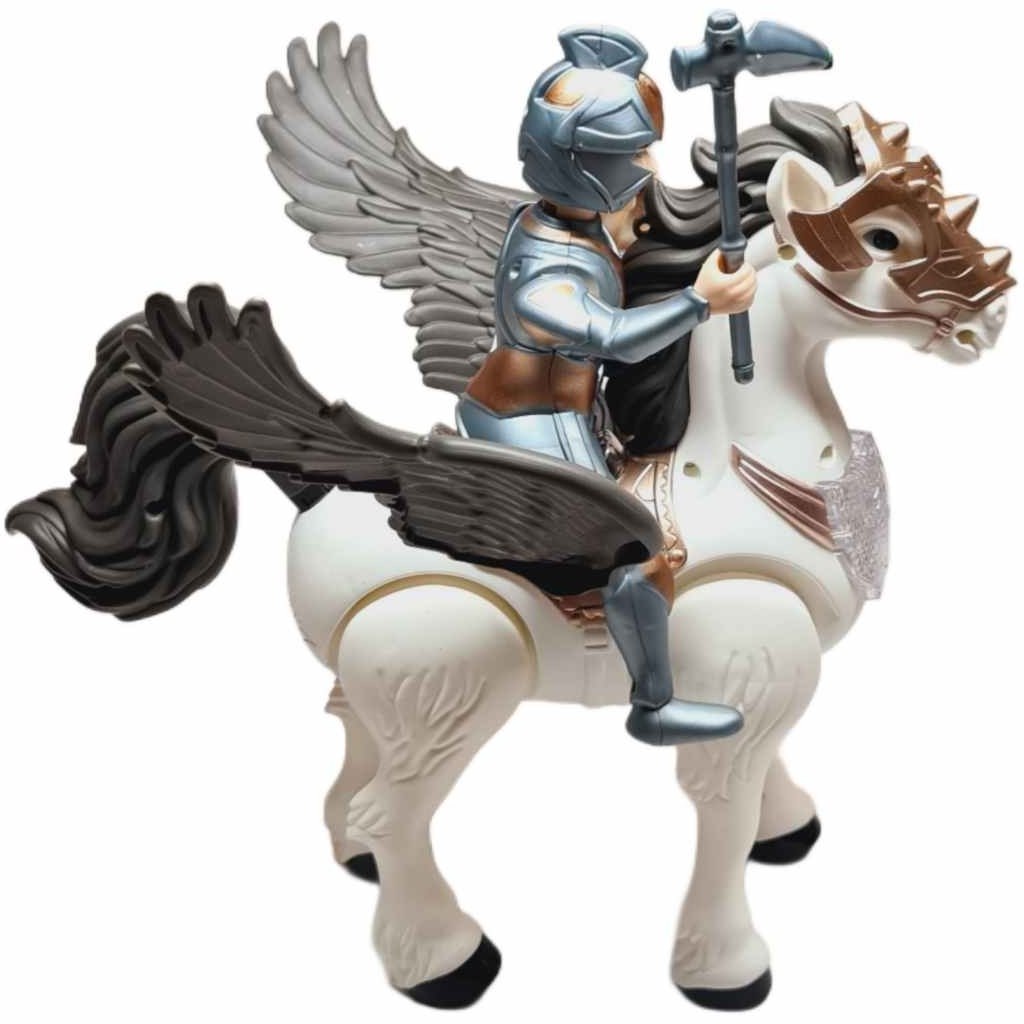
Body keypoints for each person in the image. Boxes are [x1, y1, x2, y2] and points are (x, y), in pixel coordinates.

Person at [456, 26, 757, 746]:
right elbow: (614, 338)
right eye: (633, 154)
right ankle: (653, 704)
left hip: (565, 404)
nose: (648, 165)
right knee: (636, 553)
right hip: (533, 420)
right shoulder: (548, 275)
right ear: (581, 164)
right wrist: (701, 302)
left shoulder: (565, 219)